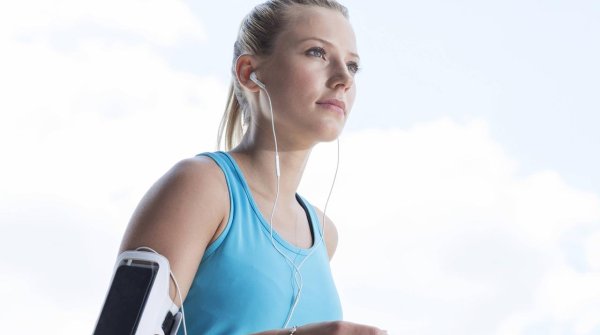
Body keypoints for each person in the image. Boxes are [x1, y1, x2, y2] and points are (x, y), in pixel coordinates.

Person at [119, 0, 386, 334]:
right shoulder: (200, 187)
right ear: (249, 73)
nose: (344, 78)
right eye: (317, 52)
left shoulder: (323, 232)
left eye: (353, 66)